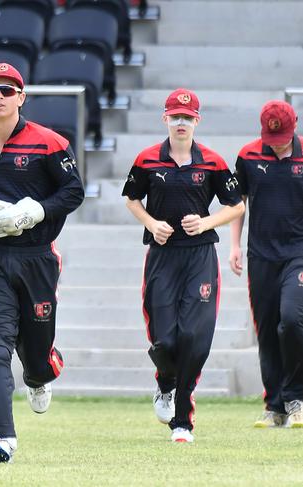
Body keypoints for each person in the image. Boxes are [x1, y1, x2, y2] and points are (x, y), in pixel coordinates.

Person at [0, 63, 84, 462]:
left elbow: (74, 192)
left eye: (8, 91)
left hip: (37, 258)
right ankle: (1, 439)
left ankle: (41, 374)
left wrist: (35, 213)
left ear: (21, 98)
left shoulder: (51, 143)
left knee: (37, 358)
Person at [122, 88, 245, 443]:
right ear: (165, 119)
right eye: (175, 116)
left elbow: (236, 205)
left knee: (194, 335)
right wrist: (151, 223)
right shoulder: (147, 159)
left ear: (197, 122)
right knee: (164, 338)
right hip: (162, 255)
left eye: (187, 118)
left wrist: (206, 223)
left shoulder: (212, 161)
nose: (181, 123)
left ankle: (182, 420)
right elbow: (131, 198)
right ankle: (165, 383)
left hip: (199, 256)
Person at [229, 100, 303, 429]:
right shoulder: (247, 156)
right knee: (267, 329)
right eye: (272, 141)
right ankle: (274, 406)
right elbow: (237, 203)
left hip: (297, 254)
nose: (278, 145)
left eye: (283, 139)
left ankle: (296, 397)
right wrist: (234, 245)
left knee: (291, 321)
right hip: (260, 255)